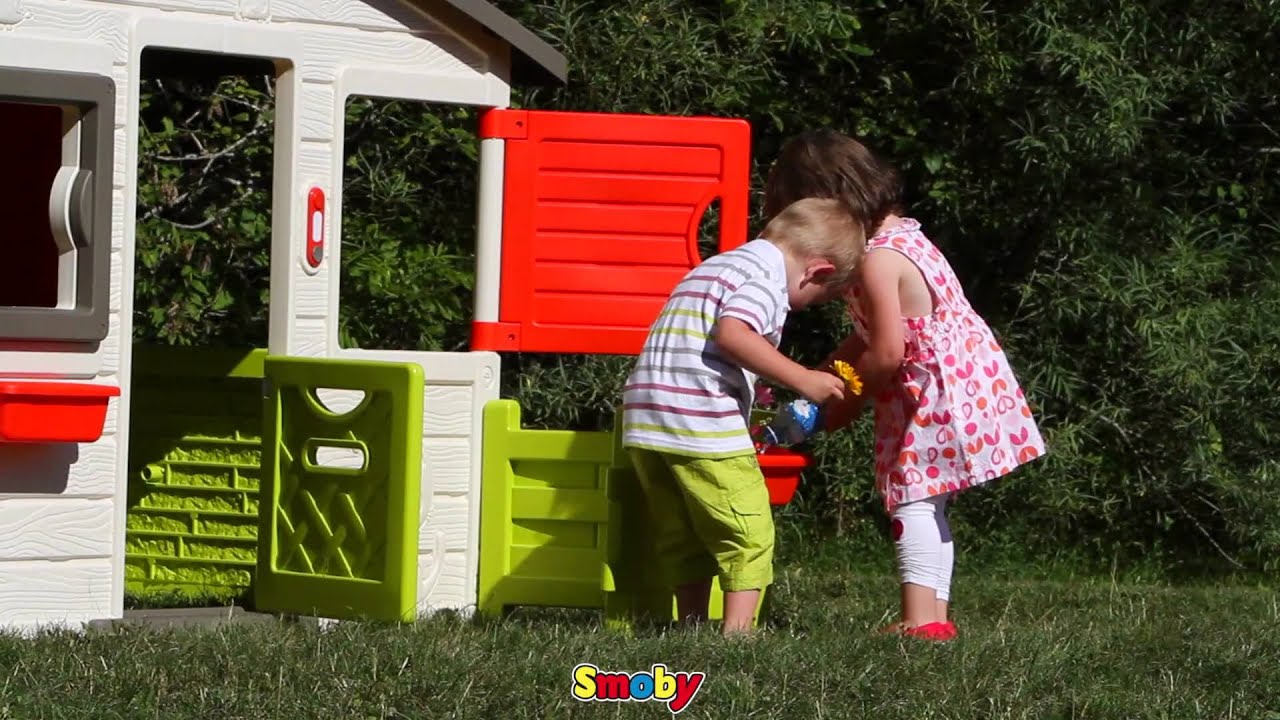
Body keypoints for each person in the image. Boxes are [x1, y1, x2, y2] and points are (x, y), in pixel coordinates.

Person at [763, 130, 1047, 641]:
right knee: (929, 501)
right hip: (959, 387)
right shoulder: (908, 238)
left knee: (911, 498)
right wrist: (827, 371)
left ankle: (919, 621)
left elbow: (888, 351)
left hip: (930, 393)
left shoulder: (877, 259)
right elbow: (870, 333)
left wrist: (846, 402)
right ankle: (934, 618)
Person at [622, 197, 863, 636]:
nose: (803, 307)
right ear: (817, 271)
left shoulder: (717, 266)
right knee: (749, 531)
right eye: (816, 299)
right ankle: (737, 635)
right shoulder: (765, 279)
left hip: (646, 422)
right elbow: (733, 334)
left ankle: (691, 625)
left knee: (685, 533)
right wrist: (803, 378)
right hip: (698, 419)